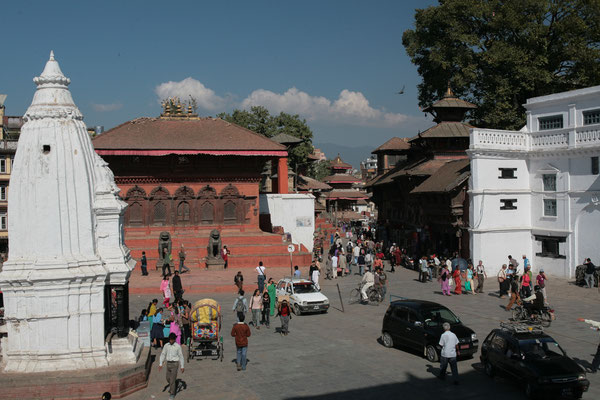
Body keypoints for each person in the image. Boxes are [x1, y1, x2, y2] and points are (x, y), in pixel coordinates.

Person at [159, 332, 185, 400]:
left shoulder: (177, 346)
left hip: (175, 364)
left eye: (172, 340)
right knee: (168, 378)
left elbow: (181, 356)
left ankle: (172, 393)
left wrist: (182, 366)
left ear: (174, 339)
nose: (170, 341)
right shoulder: (166, 345)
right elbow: (163, 354)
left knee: (172, 380)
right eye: (170, 340)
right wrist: (160, 364)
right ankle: (173, 384)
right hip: (168, 364)